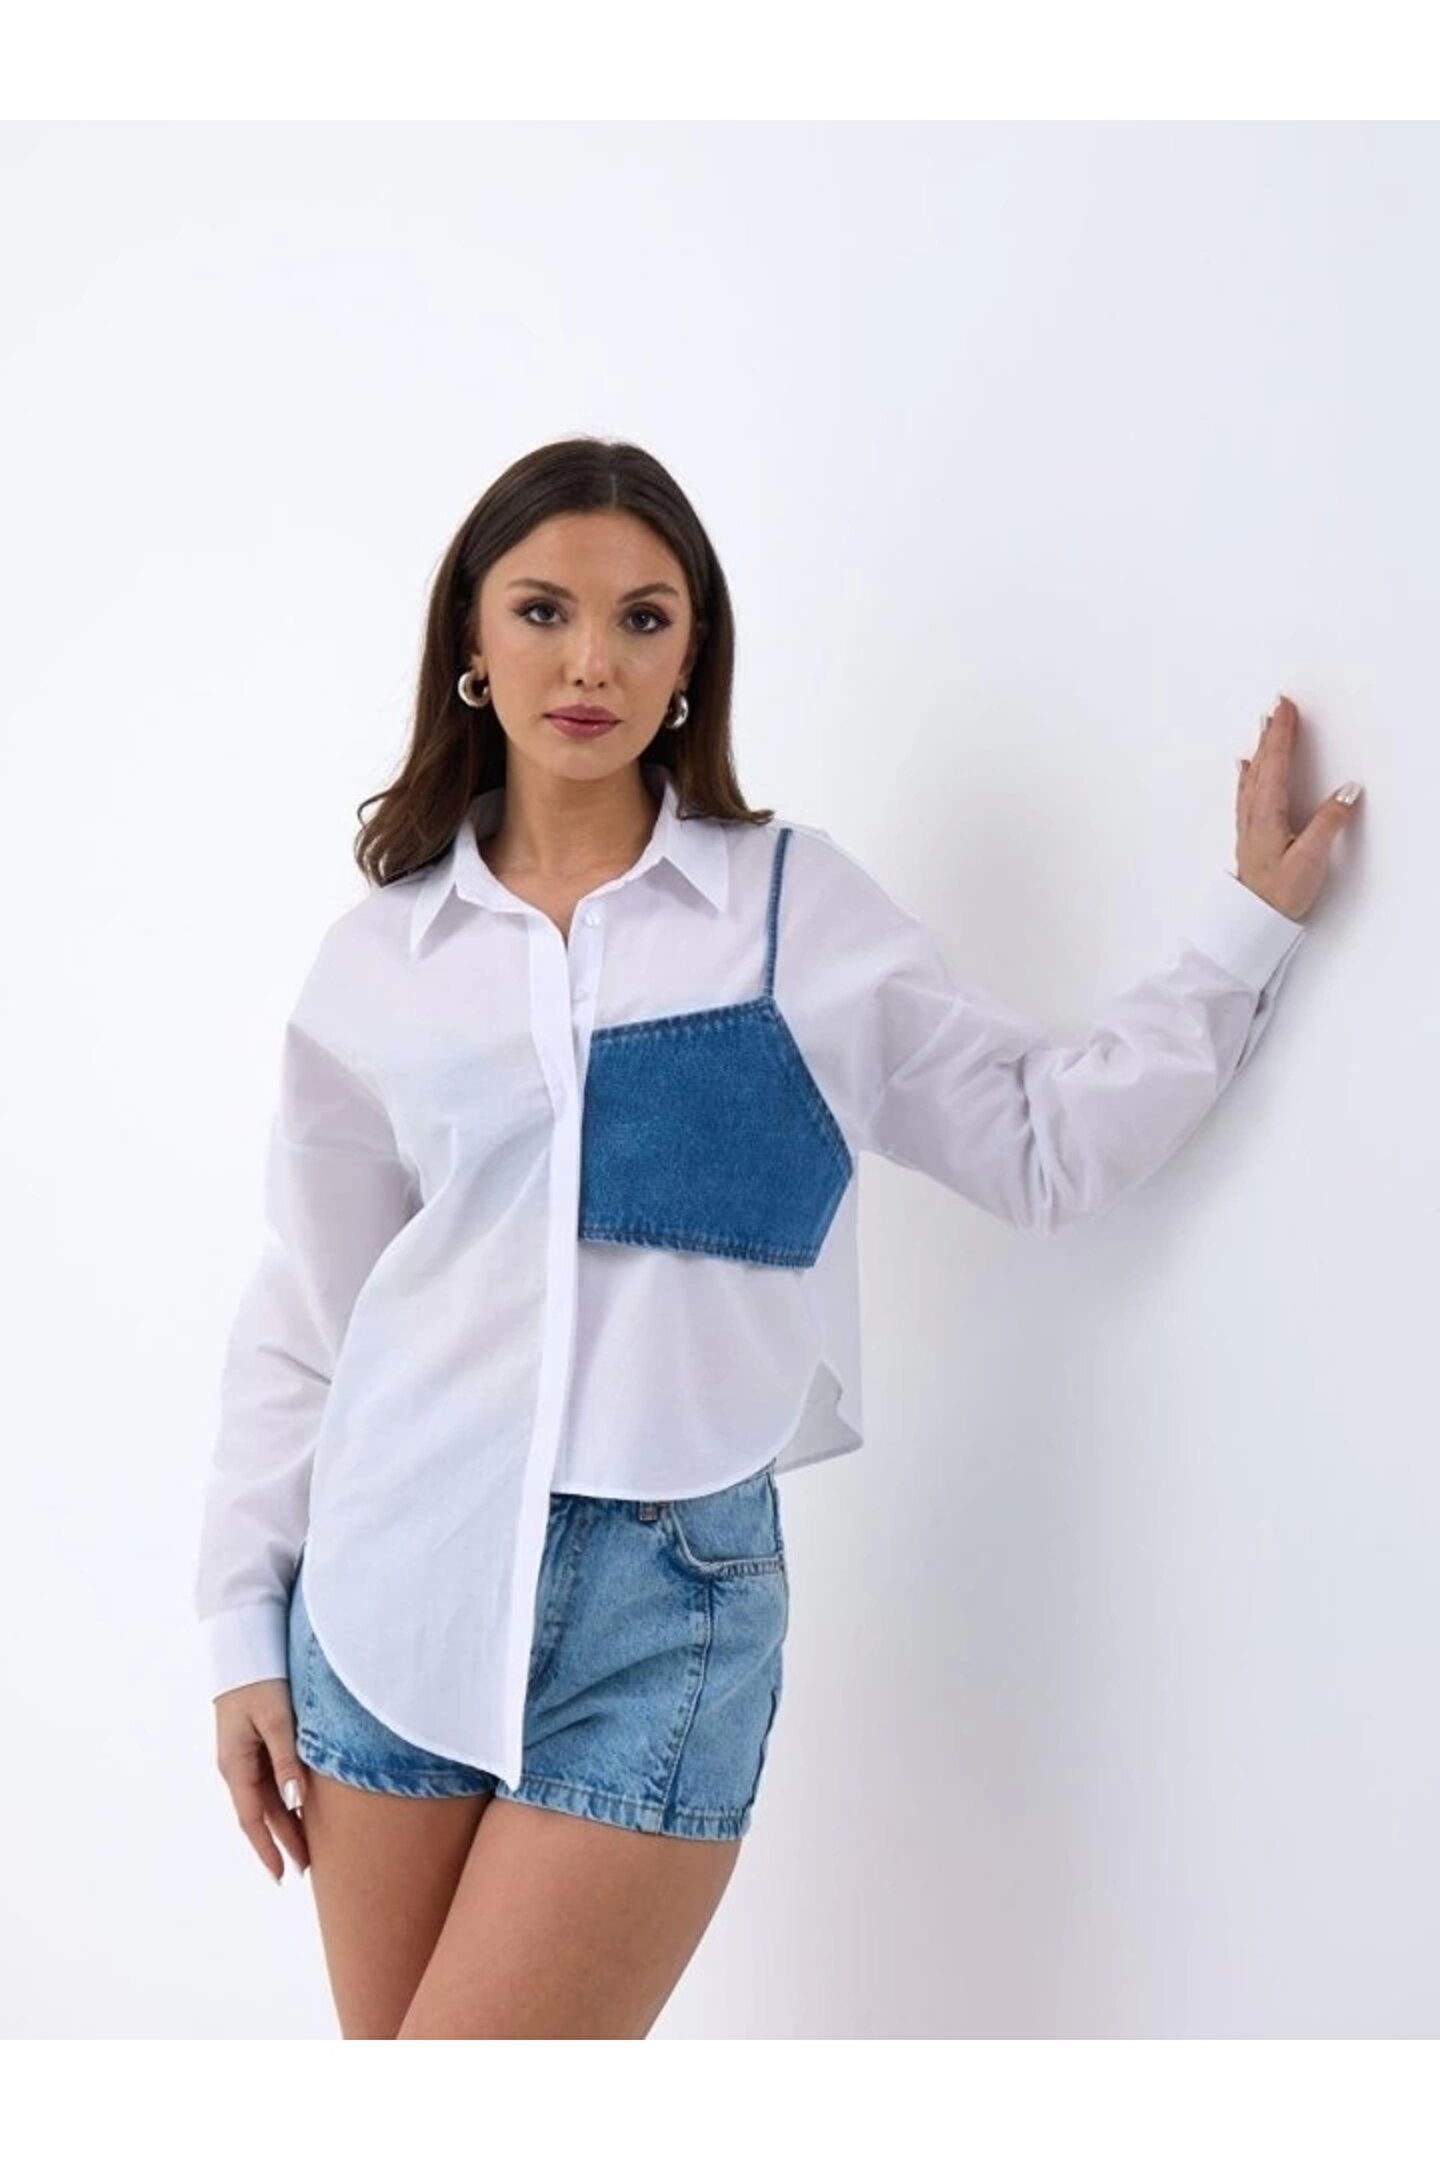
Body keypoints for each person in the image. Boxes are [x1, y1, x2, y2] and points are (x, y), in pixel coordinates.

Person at [195, 434, 1361, 2039]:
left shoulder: (786, 909)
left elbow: (1041, 1147)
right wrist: (237, 1626)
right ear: (469, 638)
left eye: (644, 618)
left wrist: (1245, 931)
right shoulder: (379, 961)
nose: (591, 662)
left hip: (665, 1606)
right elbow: (310, 1315)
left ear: (694, 658)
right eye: (542, 610)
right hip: (391, 1584)